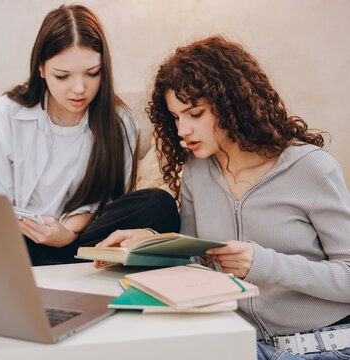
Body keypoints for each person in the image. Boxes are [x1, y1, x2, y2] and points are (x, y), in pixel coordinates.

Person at [96, 36, 350, 359]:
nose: (182, 131)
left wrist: (264, 263)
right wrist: (150, 245)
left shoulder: (312, 168)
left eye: (195, 114)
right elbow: (197, 263)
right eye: (176, 117)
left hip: (324, 347)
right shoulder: (196, 171)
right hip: (240, 344)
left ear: (232, 104)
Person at [0, 4, 180, 266]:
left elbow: (112, 206)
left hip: (85, 241)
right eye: (63, 76)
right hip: (20, 242)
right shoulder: (5, 114)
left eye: (92, 74)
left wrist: (67, 232)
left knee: (158, 204)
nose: (79, 89)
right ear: (42, 69)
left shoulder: (120, 122)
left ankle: (56, 266)